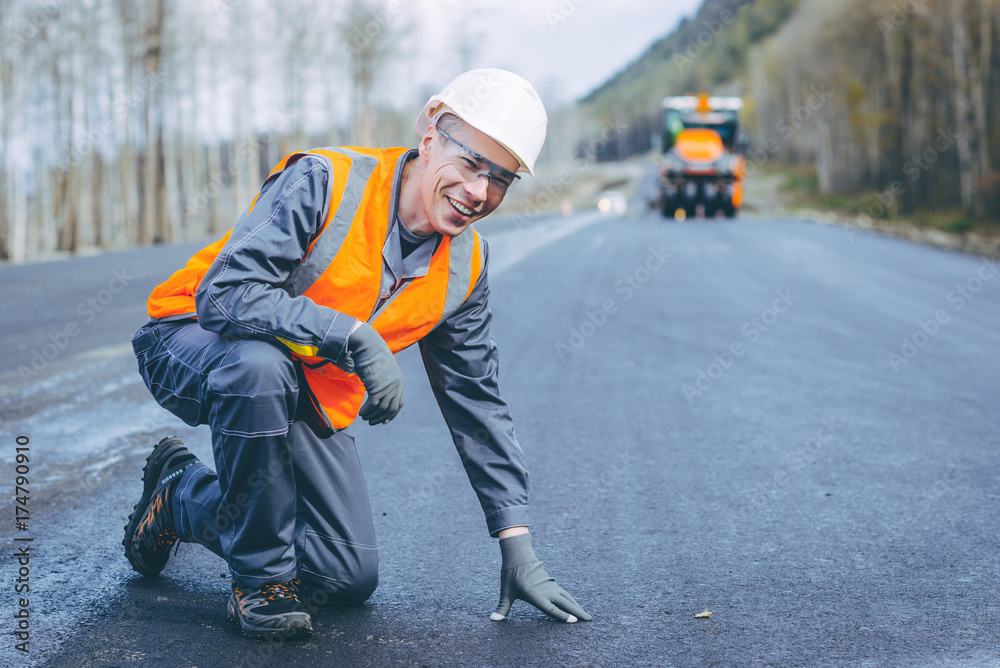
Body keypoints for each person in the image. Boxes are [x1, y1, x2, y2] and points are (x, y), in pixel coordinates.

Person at [123, 68, 591, 639]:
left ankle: (180, 496)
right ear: (429, 135)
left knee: (342, 574)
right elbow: (224, 295)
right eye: (471, 164)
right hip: (189, 339)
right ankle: (261, 586)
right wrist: (349, 335)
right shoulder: (328, 180)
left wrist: (515, 540)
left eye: (501, 180)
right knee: (259, 367)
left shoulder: (465, 268)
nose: (480, 193)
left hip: (299, 391)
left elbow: (476, 401)